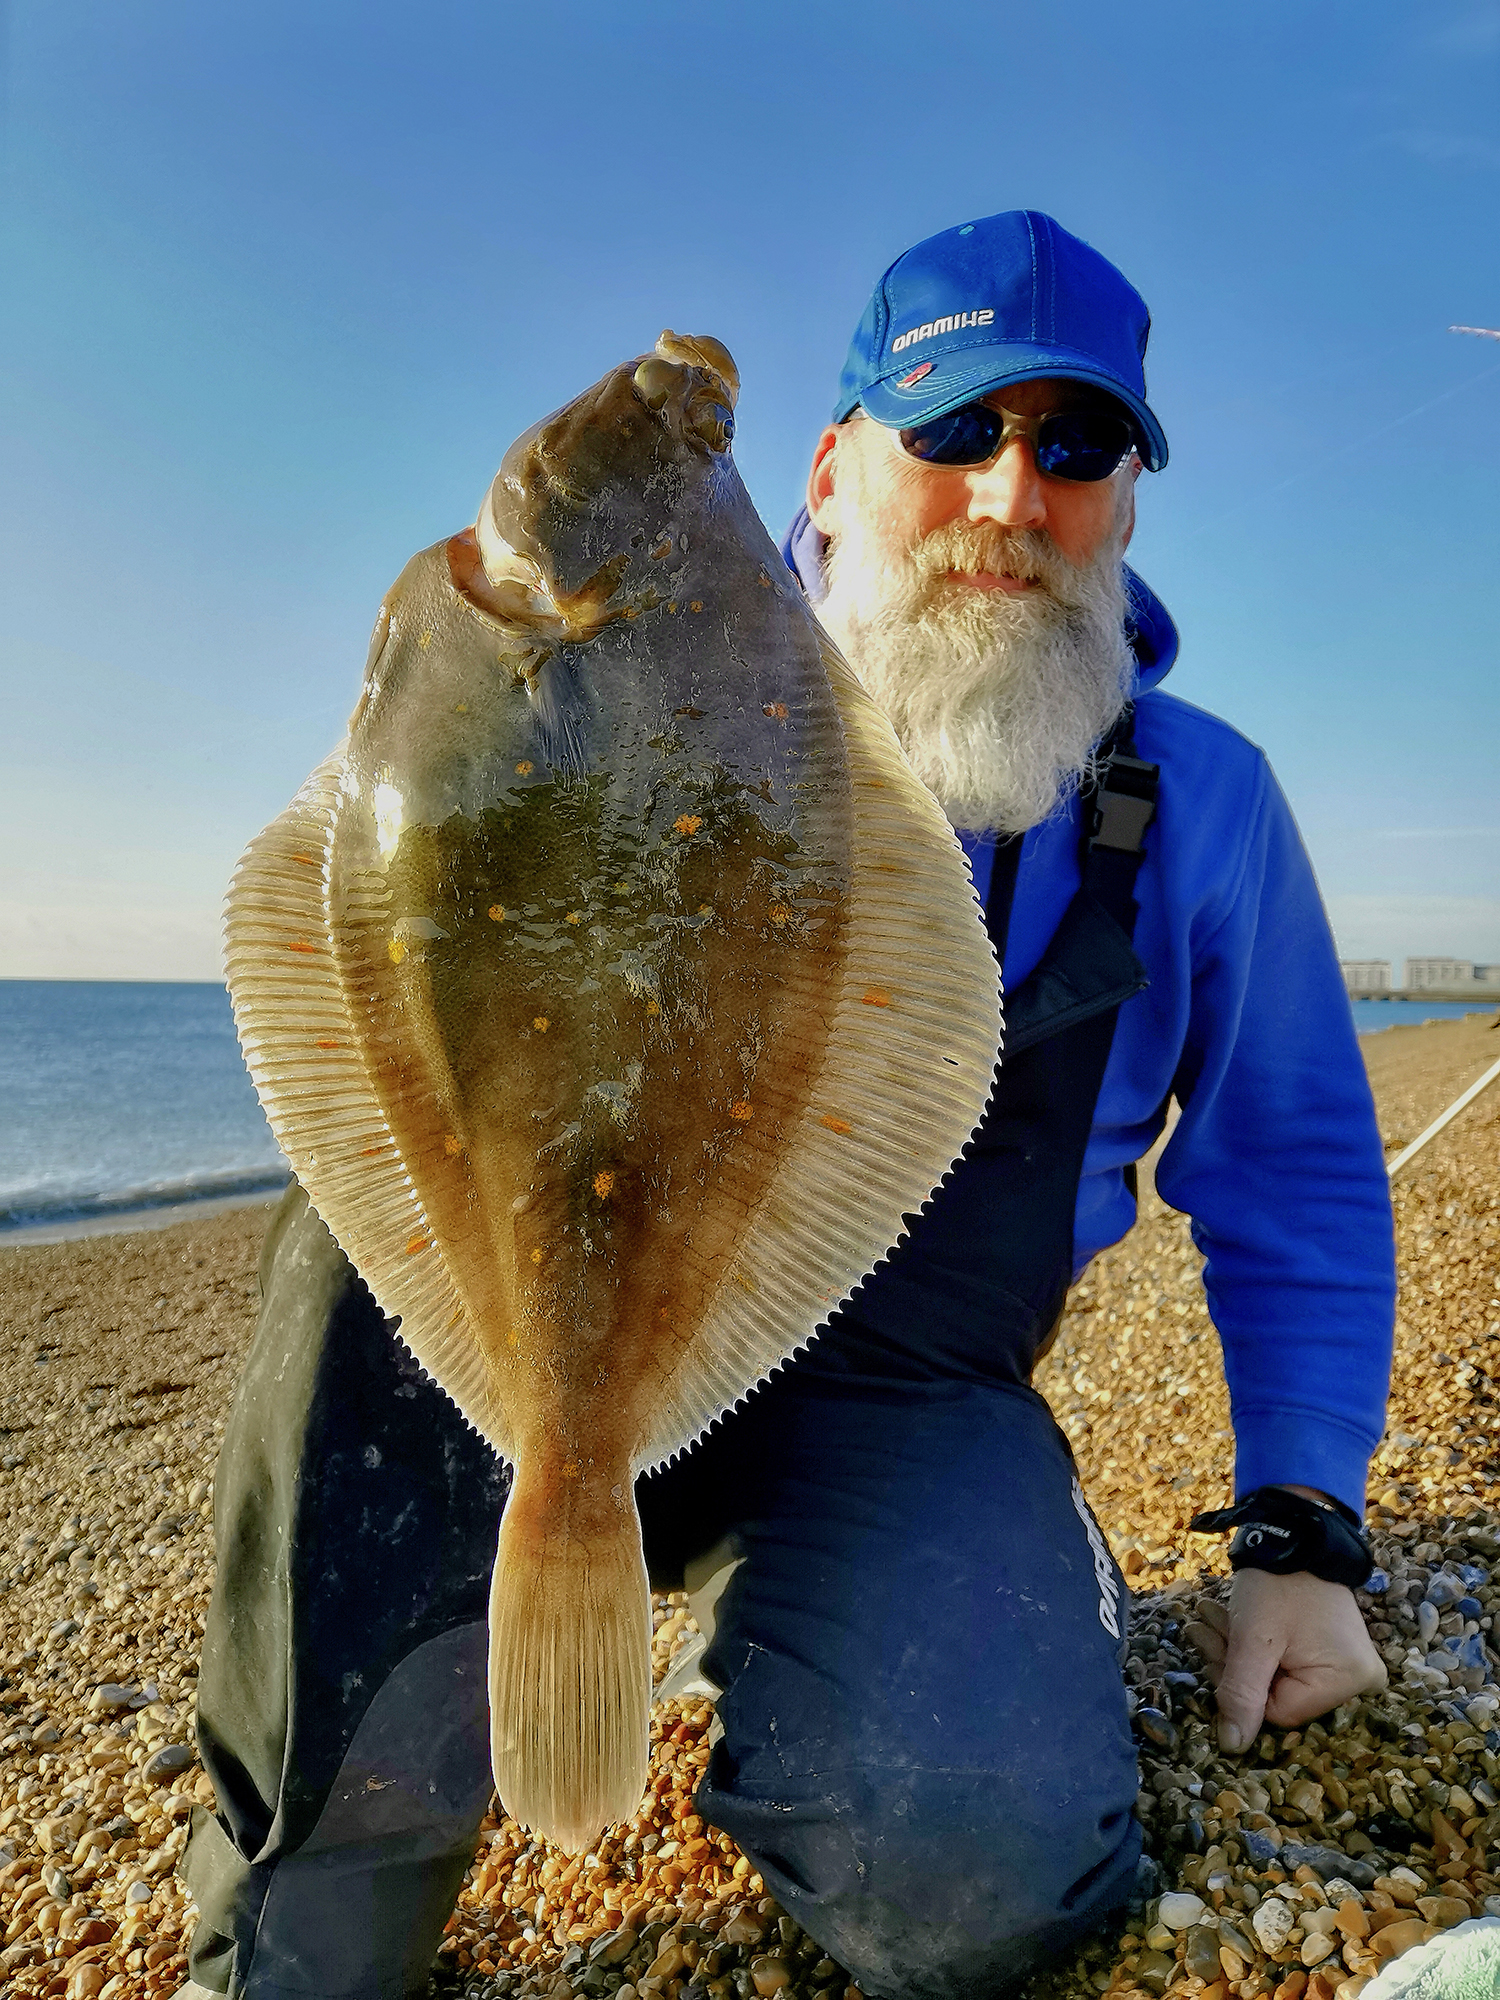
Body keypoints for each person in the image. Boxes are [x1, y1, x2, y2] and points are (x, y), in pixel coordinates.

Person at [176, 211, 1395, 2000]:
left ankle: (796, 1650)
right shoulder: (636, 667)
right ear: (829, 474)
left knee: (985, 1878)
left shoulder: (1200, 804)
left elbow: (1290, 1171)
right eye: (958, 433)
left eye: (1075, 447)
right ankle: (293, 1919)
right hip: (515, 1349)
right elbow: (385, 899)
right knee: (348, 1279)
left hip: (903, 1401)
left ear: (1127, 497)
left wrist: (1302, 1531)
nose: (1009, 497)